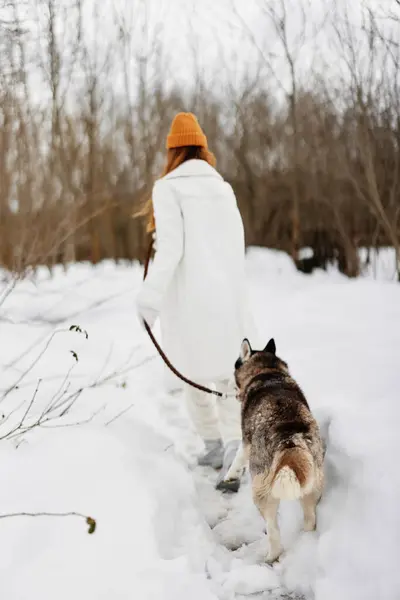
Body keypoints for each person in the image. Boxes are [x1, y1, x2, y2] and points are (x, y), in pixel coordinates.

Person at [136, 112, 255, 492]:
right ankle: (231, 448)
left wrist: (148, 300)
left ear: (172, 150)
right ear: (202, 148)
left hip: (190, 301)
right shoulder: (223, 188)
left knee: (190, 371)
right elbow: (236, 248)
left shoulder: (167, 188)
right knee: (225, 377)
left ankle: (213, 446)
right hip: (227, 298)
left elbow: (171, 250)